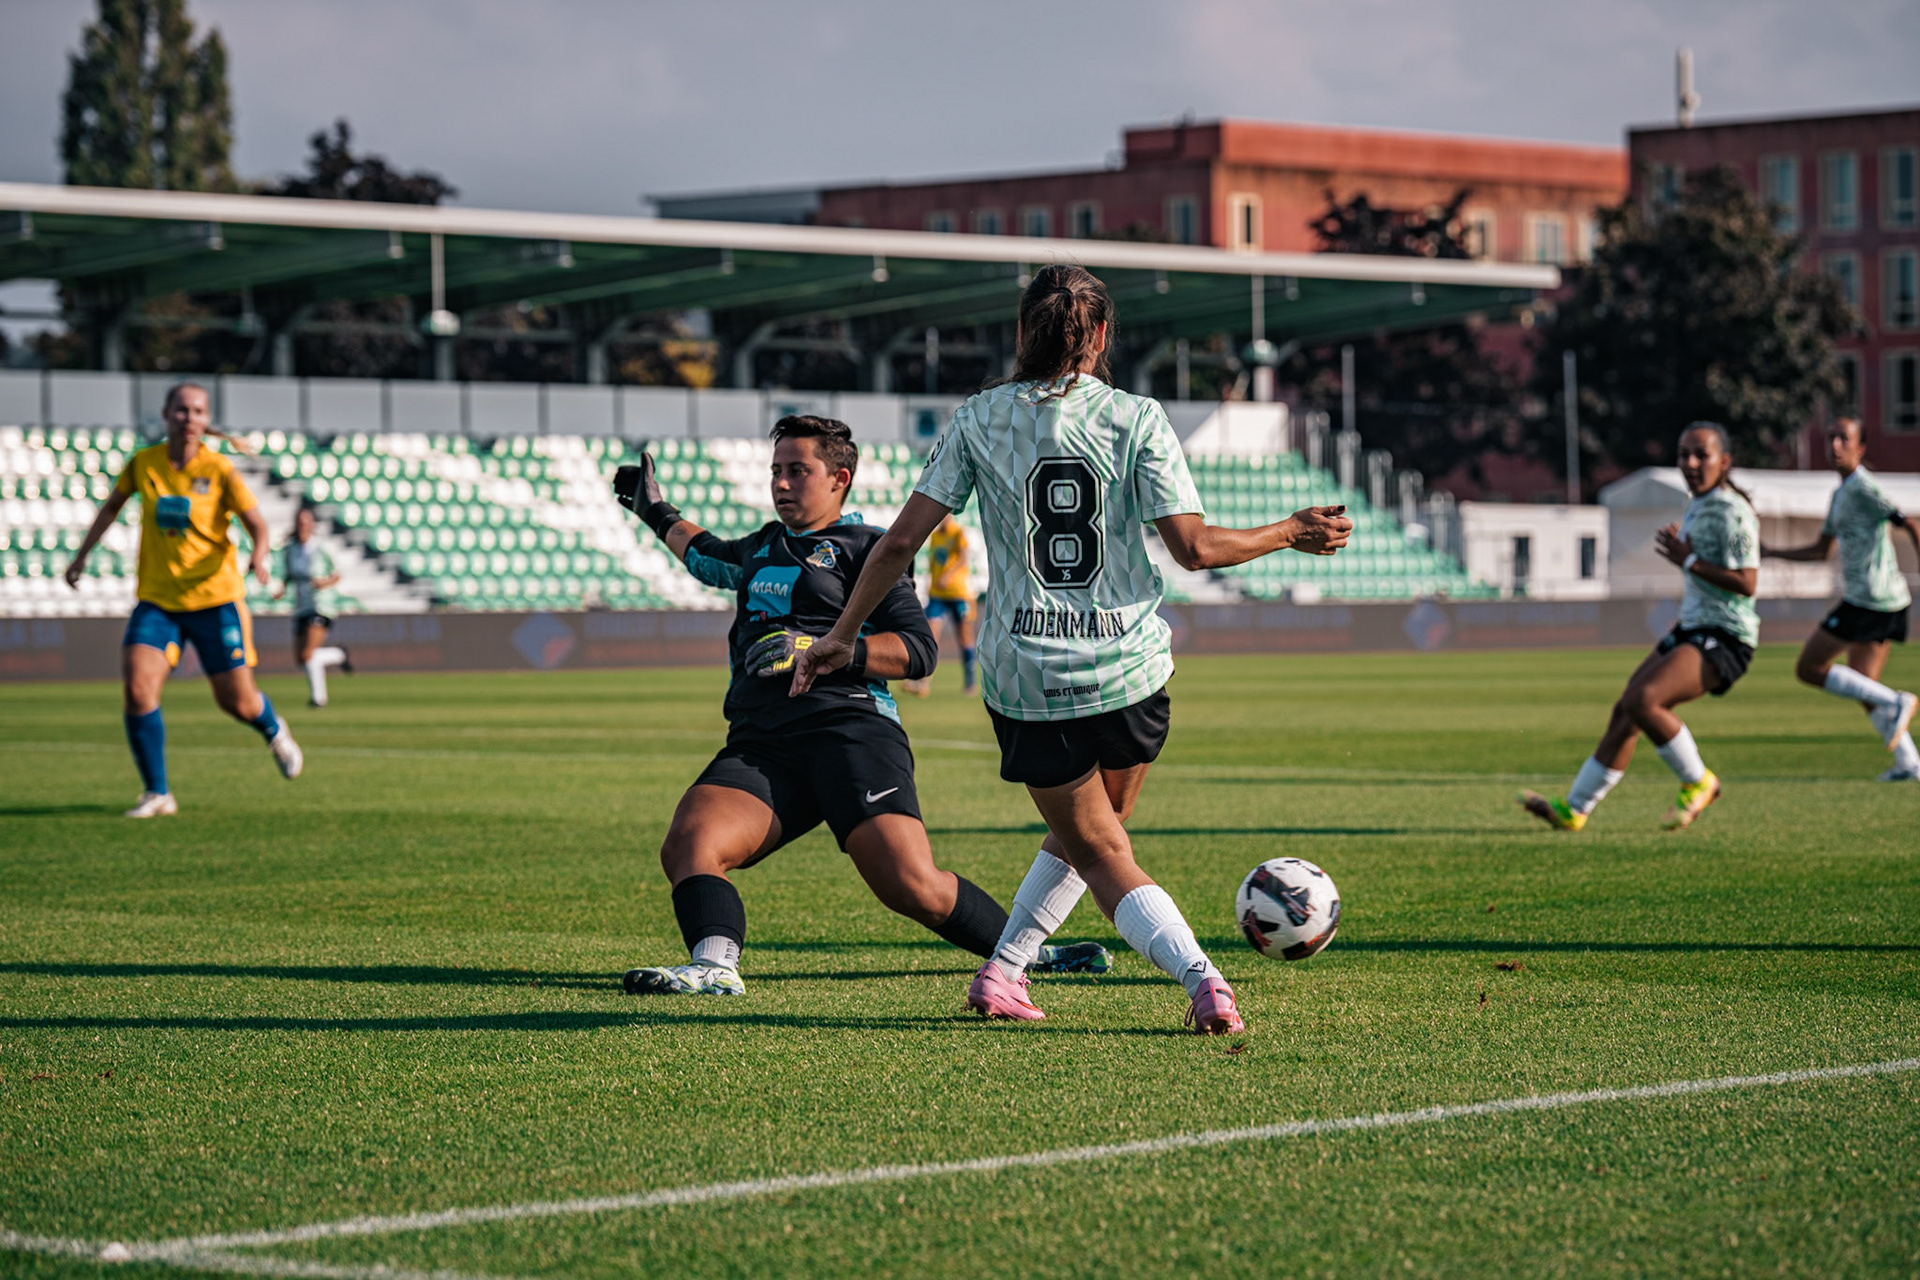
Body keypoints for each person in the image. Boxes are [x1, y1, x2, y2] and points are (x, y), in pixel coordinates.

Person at [790, 265, 1353, 1034]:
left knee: (1094, 840)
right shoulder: (1137, 417)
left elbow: (896, 545)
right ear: (1099, 338)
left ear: (1023, 334)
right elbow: (1195, 549)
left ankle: (1064, 975)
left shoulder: (981, 417)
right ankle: (1116, 974)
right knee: (1098, 839)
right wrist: (1291, 531)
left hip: (1028, 677)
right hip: (1129, 670)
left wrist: (840, 636)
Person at [610, 415, 1085, 996]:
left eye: (798, 471)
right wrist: (652, 509)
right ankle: (713, 966)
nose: (782, 484)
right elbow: (703, 555)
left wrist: (818, 648)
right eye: (775, 472)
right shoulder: (761, 546)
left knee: (911, 885)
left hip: (851, 732)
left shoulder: (869, 549)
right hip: (764, 744)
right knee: (689, 844)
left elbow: (918, 650)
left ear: (840, 477)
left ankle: (1029, 951)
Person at [63, 382, 303, 818]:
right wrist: (82, 556)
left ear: (204, 419)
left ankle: (271, 727)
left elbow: (258, 525)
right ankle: (158, 792)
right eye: (181, 410)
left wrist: (260, 555)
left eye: (197, 411)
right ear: (166, 414)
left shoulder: (219, 469)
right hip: (158, 601)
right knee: (138, 689)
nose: (188, 418)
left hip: (215, 600)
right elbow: (111, 508)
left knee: (237, 702)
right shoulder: (144, 463)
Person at [1522, 422, 1759, 832]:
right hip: (1694, 626)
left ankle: (1699, 780)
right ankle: (1575, 809)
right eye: (1684, 453)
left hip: (1726, 634)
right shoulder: (1698, 504)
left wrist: (1687, 559)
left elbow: (1748, 582)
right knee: (1627, 707)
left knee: (1647, 701)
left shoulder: (1733, 511)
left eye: (1701, 454)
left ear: (1725, 462)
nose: (1690, 462)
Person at [1763, 418, 1919, 781]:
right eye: (1831, 436)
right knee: (1866, 687)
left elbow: (1909, 523)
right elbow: (1821, 551)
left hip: (1872, 598)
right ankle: (1909, 763)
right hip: (1880, 601)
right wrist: (1772, 552)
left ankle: (1898, 701)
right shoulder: (1840, 494)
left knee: (1808, 667)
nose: (1834, 444)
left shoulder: (1864, 486)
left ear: (1860, 449)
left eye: (1843, 438)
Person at [273, 506, 353, 708]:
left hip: (320, 604)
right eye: (299, 522)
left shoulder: (322, 547)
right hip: (301, 604)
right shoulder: (290, 548)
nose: (302, 526)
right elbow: (289, 574)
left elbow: (337, 573)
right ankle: (340, 654)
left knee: (308, 654)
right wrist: (282, 588)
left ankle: (318, 698)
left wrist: (324, 583)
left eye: (306, 522)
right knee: (301, 659)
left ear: (312, 525)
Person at [904, 513, 977, 697]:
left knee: (964, 637)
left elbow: (963, 558)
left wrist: (947, 576)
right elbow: (933, 563)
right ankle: (922, 682)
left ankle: (970, 682)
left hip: (958, 593)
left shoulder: (957, 533)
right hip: (937, 594)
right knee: (929, 634)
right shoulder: (935, 535)